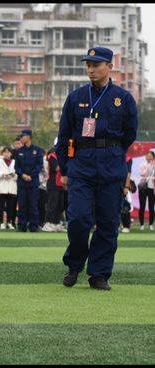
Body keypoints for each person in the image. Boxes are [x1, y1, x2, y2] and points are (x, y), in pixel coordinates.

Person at [56, 46, 138, 291]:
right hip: (81, 165)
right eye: (88, 65)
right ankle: (74, 264)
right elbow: (63, 136)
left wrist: (111, 152)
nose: (91, 69)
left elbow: (129, 134)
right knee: (78, 219)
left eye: (96, 64)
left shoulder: (123, 98)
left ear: (109, 66)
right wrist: (64, 169)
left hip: (111, 166)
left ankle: (99, 274)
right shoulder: (76, 97)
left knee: (108, 222)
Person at [14, 130, 44, 232]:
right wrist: (23, 175)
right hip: (22, 182)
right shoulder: (18, 151)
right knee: (22, 204)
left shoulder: (38, 150)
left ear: (29, 137)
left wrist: (31, 175)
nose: (21, 138)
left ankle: (33, 226)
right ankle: (22, 225)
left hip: (33, 182)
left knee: (33, 204)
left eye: (22, 136)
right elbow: (16, 166)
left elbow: (39, 165)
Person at [43, 143, 66, 232]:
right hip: (53, 183)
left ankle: (56, 223)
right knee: (52, 204)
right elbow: (57, 168)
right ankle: (48, 223)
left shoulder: (63, 156)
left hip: (61, 184)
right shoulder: (52, 156)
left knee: (60, 204)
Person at [0, 146, 17, 230]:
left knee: (11, 207)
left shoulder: (14, 162)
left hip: (12, 187)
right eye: (5, 152)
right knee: (0, 206)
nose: (7, 154)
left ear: (11, 154)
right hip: (1, 186)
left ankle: (9, 222)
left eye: (8, 152)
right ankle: (1, 222)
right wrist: (2, 175)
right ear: (2, 153)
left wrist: (14, 175)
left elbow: (17, 174)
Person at [138, 151, 155, 230]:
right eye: (147, 155)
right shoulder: (142, 164)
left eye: (150, 155)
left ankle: (151, 224)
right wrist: (148, 167)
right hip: (143, 187)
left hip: (151, 187)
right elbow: (142, 173)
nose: (148, 156)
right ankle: (141, 224)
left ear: (153, 157)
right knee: (142, 206)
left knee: (151, 207)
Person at [38, 149, 49, 228]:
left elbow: (48, 175)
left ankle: (41, 222)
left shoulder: (46, 163)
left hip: (43, 186)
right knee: (35, 205)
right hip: (35, 186)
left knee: (42, 205)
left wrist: (43, 171)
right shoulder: (35, 161)